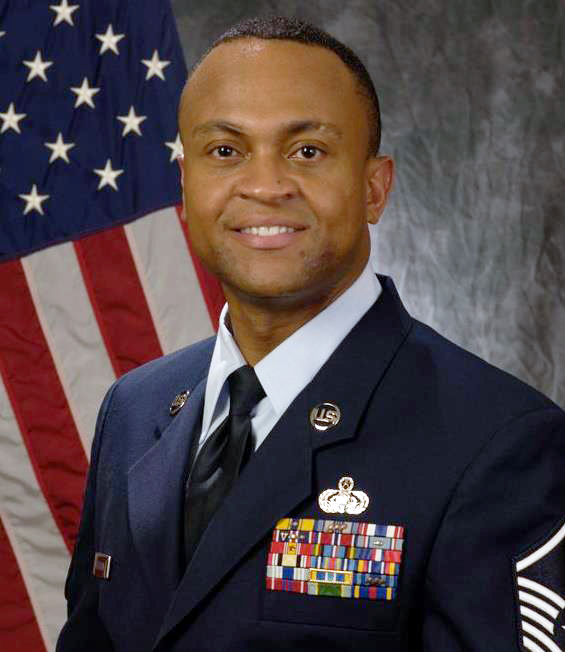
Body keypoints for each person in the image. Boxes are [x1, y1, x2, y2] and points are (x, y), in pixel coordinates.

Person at [57, 15, 565, 652]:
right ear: (185, 186)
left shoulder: (496, 443)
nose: (265, 186)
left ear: (374, 187)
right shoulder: (133, 410)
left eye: (307, 151)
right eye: (225, 151)